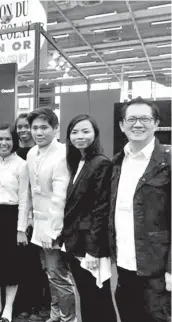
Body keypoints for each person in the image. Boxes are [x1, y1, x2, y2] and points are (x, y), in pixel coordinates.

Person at [109, 97, 171, 322]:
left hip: (156, 270)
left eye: (145, 119)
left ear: (156, 124)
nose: (137, 124)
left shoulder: (167, 162)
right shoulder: (117, 163)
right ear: (121, 125)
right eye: (131, 119)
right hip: (124, 266)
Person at [61, 115, 116, 322]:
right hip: (77, 242)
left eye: (85, 131)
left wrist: (93, 251)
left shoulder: (101, 163)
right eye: (74, 132)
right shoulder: (80, 162)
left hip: (90, 247)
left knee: (98, 298)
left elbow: (101, 210)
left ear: (95, 134)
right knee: (86, 295)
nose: (79, 136)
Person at [25, 108, 76, 322]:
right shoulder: (31, 153)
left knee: (60, 277)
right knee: (50, 275)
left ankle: (68, 319)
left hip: (54, 228)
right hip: (38, 226)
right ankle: (55, 315)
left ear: (55, 128)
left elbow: (60, 197)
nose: (38, 132)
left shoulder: (62, 154)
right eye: (34, 127)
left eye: (44, 127)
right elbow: (31, 190)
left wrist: (52, 231)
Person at [0, 124, 29, 322]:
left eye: (8, 139)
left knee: (11, 265)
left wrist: (21, 229)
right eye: (0, 139)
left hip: (12, 218)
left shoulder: (22, 164)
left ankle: (8, 308)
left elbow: (25, 199)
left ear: (14, 141)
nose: (4, 143)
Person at [14, 114, 46, 322]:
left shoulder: (41, 153)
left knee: (40, 264)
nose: (24, 130)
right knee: (22, 264)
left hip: (40, 217)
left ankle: (40, 304)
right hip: (18, 216)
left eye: (28, 126)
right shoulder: (15, 152)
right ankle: (22, 304)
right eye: (21, 127)